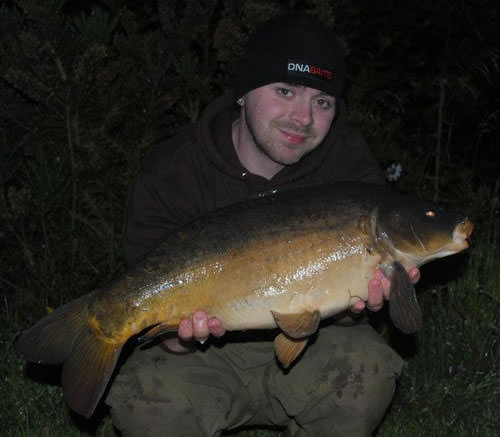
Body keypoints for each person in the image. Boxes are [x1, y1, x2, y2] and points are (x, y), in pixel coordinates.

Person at [106, 12, 420, 437]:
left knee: (367, 372)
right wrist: (178, 335)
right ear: (243, 93)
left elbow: (344, 309)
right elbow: (149, 288)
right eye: (285, 90)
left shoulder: (347, 165)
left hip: (316, 346)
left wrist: (360, 303)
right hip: (200, 357)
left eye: (322, 102)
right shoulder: (173, 169)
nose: (303, 118)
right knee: (144, 399)